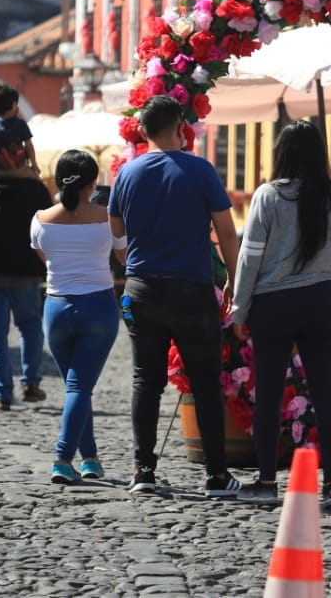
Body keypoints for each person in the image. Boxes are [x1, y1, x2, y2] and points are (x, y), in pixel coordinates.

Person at [108, 95, 242, 497]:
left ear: (144, 132)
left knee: (145, 381)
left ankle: (143, 470)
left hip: (140, 290)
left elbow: (116, 237)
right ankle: (217, 475)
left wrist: (132, 261)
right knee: (205, 383)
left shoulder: (127, 174)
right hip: (193, 289)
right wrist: (235, 278)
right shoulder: (200, 171)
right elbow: (227, 231)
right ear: (181, 126)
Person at [232, 121, 331, 508]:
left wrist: (239, 307)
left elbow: (250, 256)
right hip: (325, 301)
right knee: (326, 394)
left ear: (281, 153)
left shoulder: (267, 197)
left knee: (269, 393)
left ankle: (268, 482)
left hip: (274, 304)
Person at [30, 151, 123, 485]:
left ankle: (91, 459)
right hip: (98, 306)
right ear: (92, 182)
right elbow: (124, 256)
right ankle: (62, 458)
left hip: (55, 308)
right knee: (80, 387)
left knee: (77, 387)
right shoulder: (108, 216)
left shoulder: (40, 219)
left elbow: (43, 256)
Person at [0, 167, 53, 410]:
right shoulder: (36, 189)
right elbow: (50, 223)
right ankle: (30, 383)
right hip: (26, 271)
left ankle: (2, 393)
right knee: (31, 329)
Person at [0, 83, 40, 180]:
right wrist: (34, 165)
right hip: (19, 171)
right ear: (13, 105)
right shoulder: (21, 124)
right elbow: (29, 146)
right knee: (40, 186)